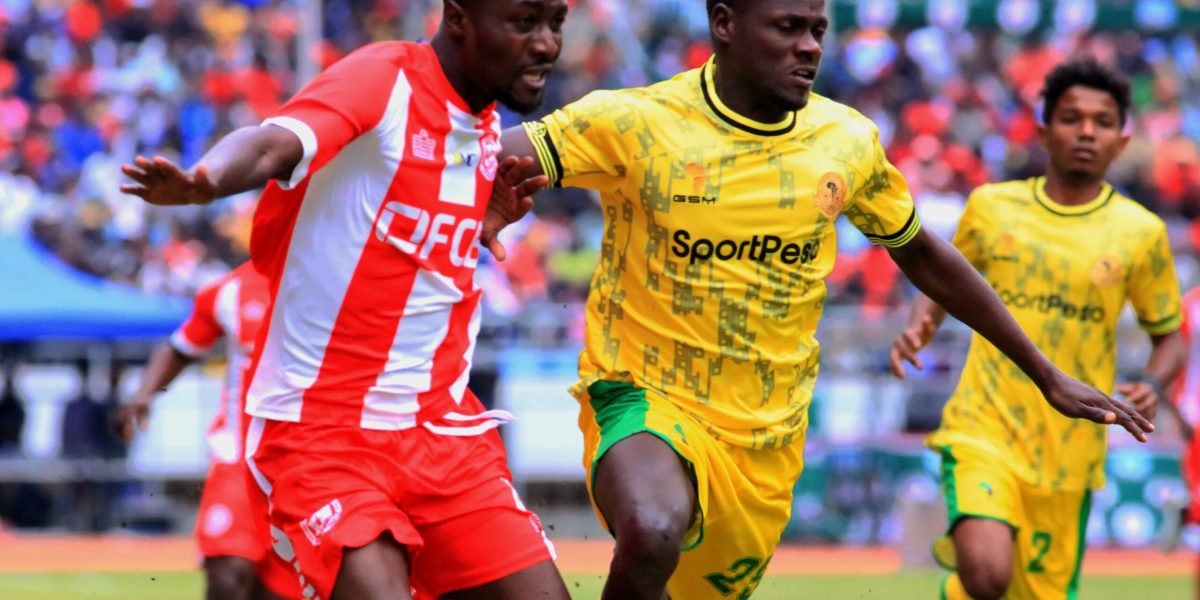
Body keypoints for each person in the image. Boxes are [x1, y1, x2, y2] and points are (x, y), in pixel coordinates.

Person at [482, 2, 1154, 598]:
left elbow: (922, 254)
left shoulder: (847, 142)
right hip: (641, 391)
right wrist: (487, 203)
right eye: (788, 28)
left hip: (765, 436)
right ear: (724, 24)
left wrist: (1043, 371)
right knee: (654, 529)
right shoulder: (634, 122)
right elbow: (483, 163)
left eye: (817, 31)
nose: (810, 46)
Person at [119, 1, 571, 599]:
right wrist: (207, 180)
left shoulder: (482, 123)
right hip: (325, 434)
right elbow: (273, 142)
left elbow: (416, 206)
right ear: (460, 18)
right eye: (524, 23)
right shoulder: (384, 78)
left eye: (556, 24)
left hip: (443, 431)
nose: (547, 45)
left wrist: (481, 214)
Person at [888, 58, 1185, 600]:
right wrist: (919, 325)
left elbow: (1171, 334)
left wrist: (1154, 383)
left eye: (1102, 121)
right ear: (1045, 131)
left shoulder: (1141, 233)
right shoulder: (992, 207)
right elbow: (941, 280)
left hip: (1071, 450)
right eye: (1072, 118)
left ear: (1122, 140)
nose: (1087, 131)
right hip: (985, 427)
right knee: (986, 573)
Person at [119, 261, 275, 600]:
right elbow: (182, 346)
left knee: (280, 588)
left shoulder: (334, 280)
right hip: (238, 457)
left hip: (309, 459)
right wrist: (145, 394)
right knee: (228, 574)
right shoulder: (229, 290)